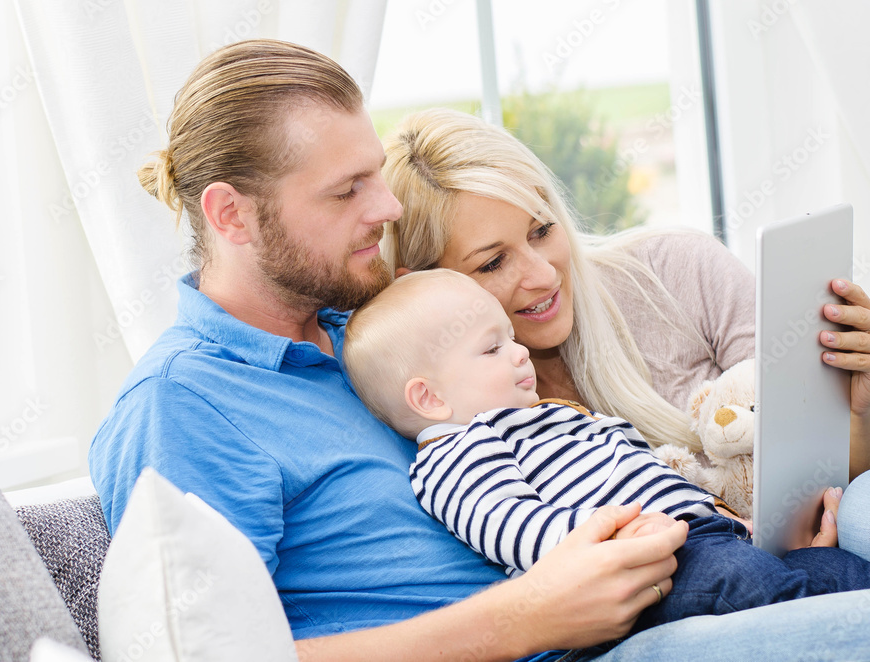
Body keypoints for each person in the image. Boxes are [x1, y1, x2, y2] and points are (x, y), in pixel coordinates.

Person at [89, 39, 870, 662]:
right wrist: (522, 617)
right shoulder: (184, 403)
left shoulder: (370, 334)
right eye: (347, 190)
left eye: (376, 176)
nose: (386, 207)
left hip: (641, 607)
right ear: (231, 215)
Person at [343, 267, 870, 632]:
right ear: (429, 398)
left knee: (836, 572)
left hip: (708, 538)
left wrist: (723, 514)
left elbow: (649, 472)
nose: (520, 352)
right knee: (761, 591)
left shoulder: (550, 417)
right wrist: (614, 539)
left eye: (511, 337)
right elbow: (510, 526)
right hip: (646, 573)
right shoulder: (458, 452)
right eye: (492, 348)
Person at [381, 106, 870, 482]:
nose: (544, 276)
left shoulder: (679, 269)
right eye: (493, 263)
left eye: (542, 230)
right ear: (422, 285)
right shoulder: (440, 413)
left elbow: (832, 472)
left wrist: (860, 413)